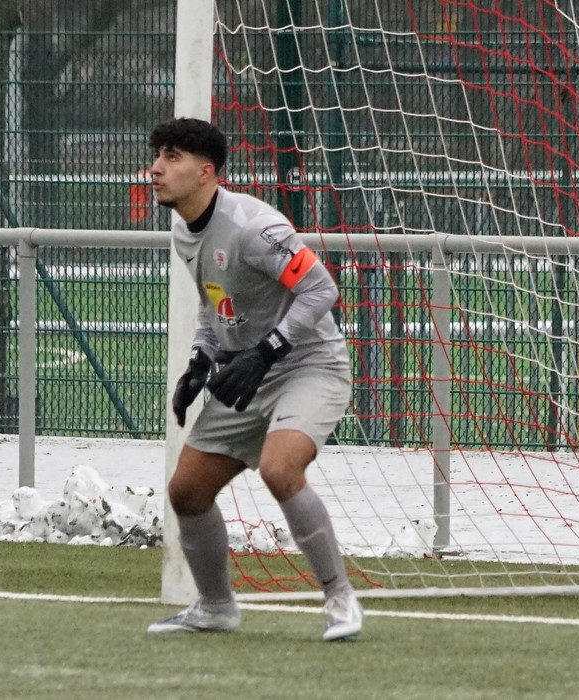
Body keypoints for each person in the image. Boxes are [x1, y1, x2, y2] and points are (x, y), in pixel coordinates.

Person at [146, 117, 362, 641]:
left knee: (279, 468)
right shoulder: (183, 230)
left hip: (310, 365)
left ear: (206, 173)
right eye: (156, 155)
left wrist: (267, 352)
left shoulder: (254, 227)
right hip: (250, 374)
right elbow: (215, 299)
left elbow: (322, 290)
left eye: (171, 157)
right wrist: (200, 359)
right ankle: (216, 608)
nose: (155, 168)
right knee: (187, 491)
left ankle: (341, 600)